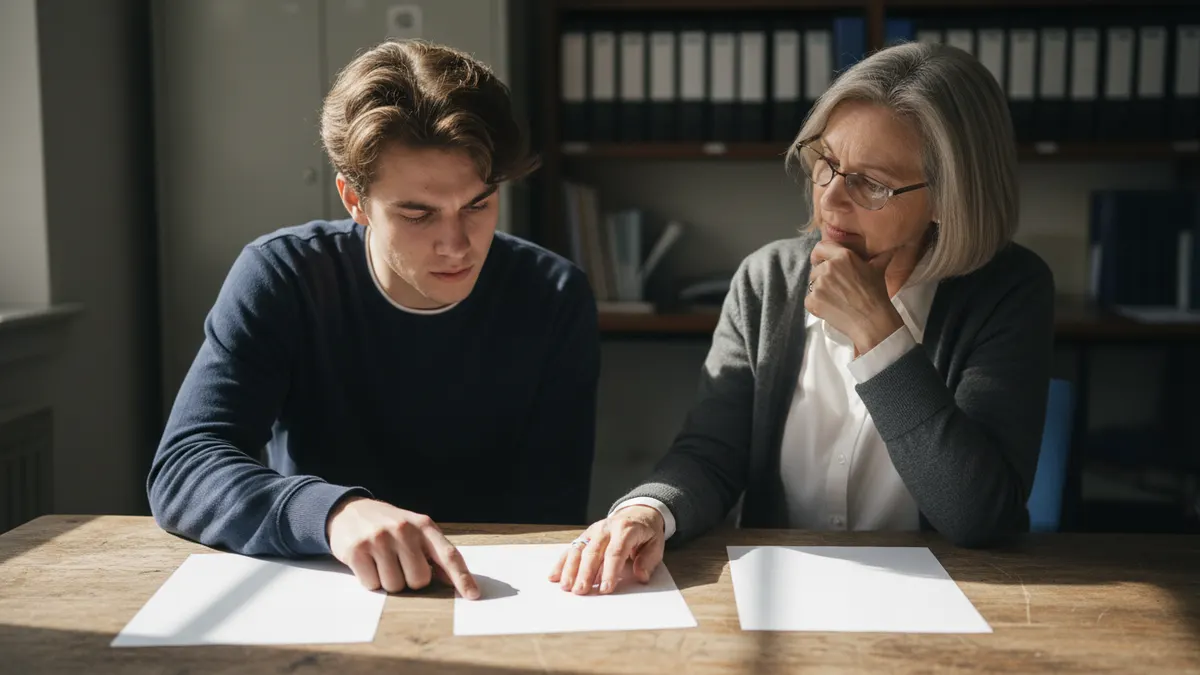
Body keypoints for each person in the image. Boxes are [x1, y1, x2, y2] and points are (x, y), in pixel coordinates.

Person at [551, 41, 1056, 596]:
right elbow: (712, 454)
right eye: (828, 164)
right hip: (782, 597)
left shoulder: (1010, 290)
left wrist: (878, 334)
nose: (831, 201)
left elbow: (978, 515)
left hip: (952, 600)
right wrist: (650, 510)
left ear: (948, 198)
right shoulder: (767, 280)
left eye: (872, 183)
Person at [149, 40, 601, 600]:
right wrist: (334, 512)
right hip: (328, 580)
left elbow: (551, 512)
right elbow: (185, 468)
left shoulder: (554, 295)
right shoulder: (283, 276)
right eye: (418, 213)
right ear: (354, 200)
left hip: (489, 590)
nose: (457, 245)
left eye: (478, 205)